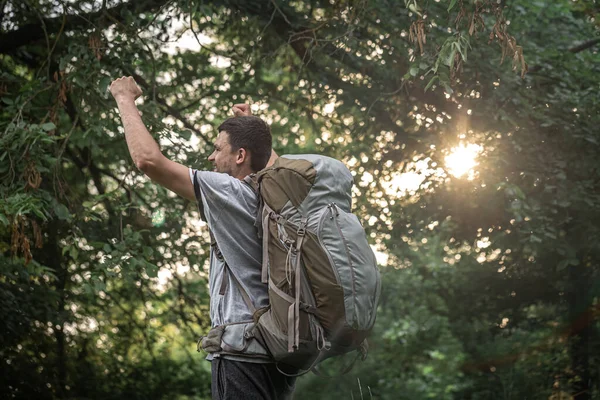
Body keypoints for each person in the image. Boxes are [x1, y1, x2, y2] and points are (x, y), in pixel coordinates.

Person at [109, 76, 295, 399]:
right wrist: (249, 125)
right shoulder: (276, 196)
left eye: (216, 148)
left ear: (240, 156)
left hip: (241, 352)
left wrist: (124, 98)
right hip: (275, 351)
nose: (210, 158)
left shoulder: (230, 191)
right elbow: (269, 163)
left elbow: (148, 161)